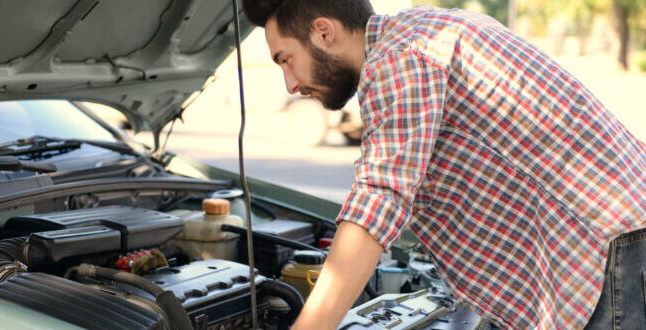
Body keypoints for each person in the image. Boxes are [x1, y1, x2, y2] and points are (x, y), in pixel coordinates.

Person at [242, 1, 646, 329]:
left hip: (602, 250)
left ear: (323, 31)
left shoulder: (397, 59)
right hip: (609, 240)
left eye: (285, 59)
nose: (290, 84)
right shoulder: (424, 30)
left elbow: (381, 196)